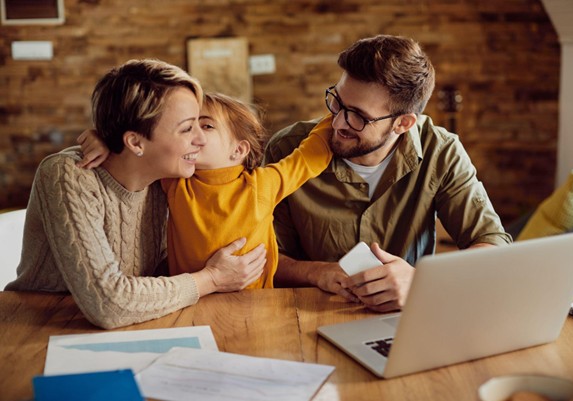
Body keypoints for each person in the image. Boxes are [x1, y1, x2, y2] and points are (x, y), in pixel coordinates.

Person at [4, 59, 267, 329]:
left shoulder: (166, 179)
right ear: (135, 142)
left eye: (202, 125)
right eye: (188, 128)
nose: (200, 140)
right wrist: (211, 279)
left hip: (135, 325)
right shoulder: (67, 175)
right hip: (37, 328)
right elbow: (108, 304)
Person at [264, 34, 512, 312]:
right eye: (337, 102)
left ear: (403, 123)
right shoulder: (287, 148)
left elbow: (492, 244)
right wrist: (315, 272)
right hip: (306, 314)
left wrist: (420, 281)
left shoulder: (441, 151)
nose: (337, 122)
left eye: (358, 115)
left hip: (407, 316)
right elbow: (263, 256)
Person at [79, 92, 333, 289]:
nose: (194, 135)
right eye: (188, 127)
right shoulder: (176, 180)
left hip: (256, 302)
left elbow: (309, 156)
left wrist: (339, 113)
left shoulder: (263, 184)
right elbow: (138, 151)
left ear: (239, 150)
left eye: (207, 126)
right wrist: (102, 138)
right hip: (189, 299)